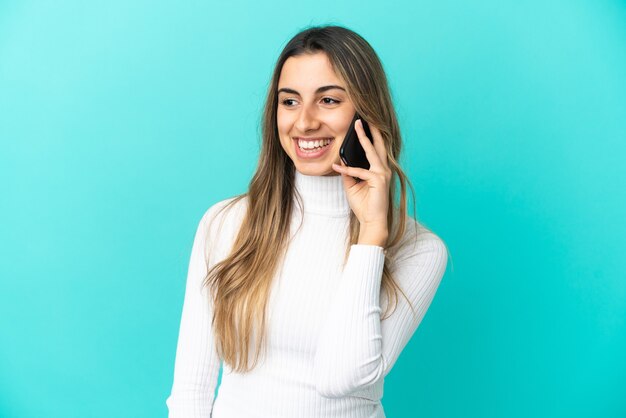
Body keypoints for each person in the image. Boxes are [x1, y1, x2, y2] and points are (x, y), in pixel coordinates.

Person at [165, 24, 449, 418]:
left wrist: (371, 236)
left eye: (329, 100)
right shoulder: (225, 223)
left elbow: (342, 377)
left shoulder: (418, 249)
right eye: (290, 101)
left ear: (365, 113)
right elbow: (190, 391)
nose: (304, 123)